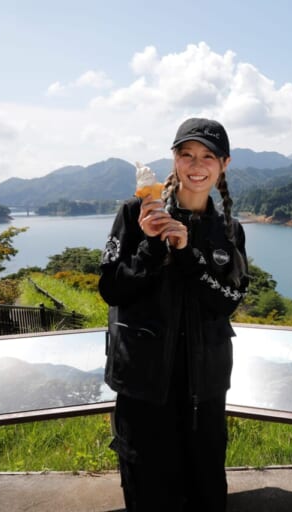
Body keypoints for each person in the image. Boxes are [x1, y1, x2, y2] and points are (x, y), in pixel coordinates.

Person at [99, 117, 248, 511]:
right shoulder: (135, 214)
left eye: (207, 157)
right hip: (145, 387)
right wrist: (150, 247)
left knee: (205, 490)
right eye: (187, 155)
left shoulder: (229, 231)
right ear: (174, 160)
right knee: (148, 491)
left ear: (224, 165)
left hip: (204, 388)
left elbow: (227, 300)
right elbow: (110, 288)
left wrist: (186, 256)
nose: (196, 166)